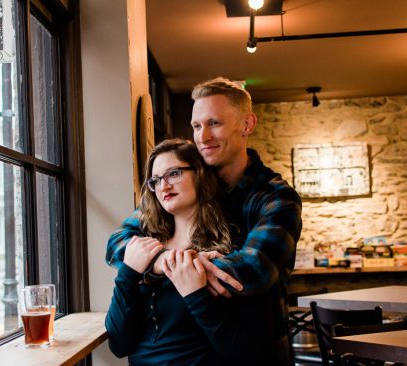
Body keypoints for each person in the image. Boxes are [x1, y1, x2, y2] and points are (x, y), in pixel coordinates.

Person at [106, 77, 302, 364]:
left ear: (247, 125)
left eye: (215, 124)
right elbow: (119, 242)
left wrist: (180, 267)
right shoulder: (172, 203)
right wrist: (165, 261)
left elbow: (254, 270)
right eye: (197, 126)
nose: (203, 137)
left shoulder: (273, 197)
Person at [106, 139, 271, 365]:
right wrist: (127, 274)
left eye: (174, 174)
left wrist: (195, 294)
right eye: (156, 180)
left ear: (200, 174)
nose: (163, 186)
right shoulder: (145, 249)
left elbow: (246, 354)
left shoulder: (228, 251)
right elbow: (118, 344)